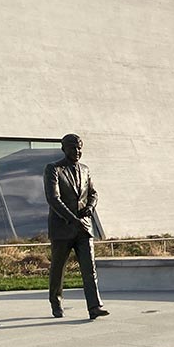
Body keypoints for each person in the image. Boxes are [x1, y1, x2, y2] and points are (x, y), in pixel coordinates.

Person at [44, 134, 109, 320]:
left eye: (80, 147)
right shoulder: (53, 169)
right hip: (62, 228)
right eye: (73, 147)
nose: (77, 151)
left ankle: (95, 306)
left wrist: (90, 207)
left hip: (84, 228)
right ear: (64, 148)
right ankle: (55, 303)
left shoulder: (85, 170)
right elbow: (53, 199)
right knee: (58, 269)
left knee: (89, 269)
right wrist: (73, 219)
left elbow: (93, 193)